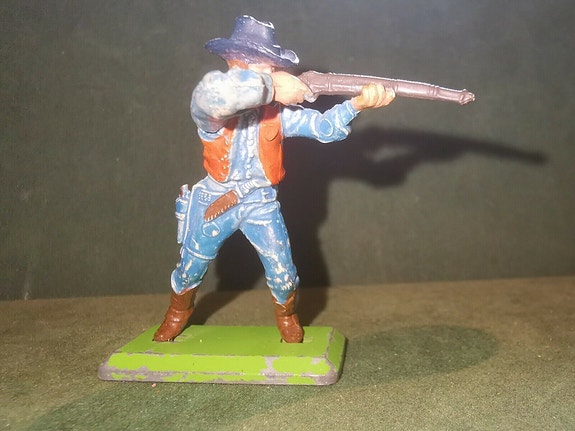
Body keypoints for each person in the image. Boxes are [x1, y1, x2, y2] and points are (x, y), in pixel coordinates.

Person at [153, 15, 394, 343]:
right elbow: (213, 94)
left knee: (283, 274)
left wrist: (356, 105)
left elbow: (324, 128)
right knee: (190, 268)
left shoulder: (277, 115)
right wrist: (274, 86)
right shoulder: (213, 107)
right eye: (263, 66)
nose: (272, 72)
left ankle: (287, 317)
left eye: (272, 68)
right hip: (215, 199)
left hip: (261, 201)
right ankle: (176, 313)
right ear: (235, 62)